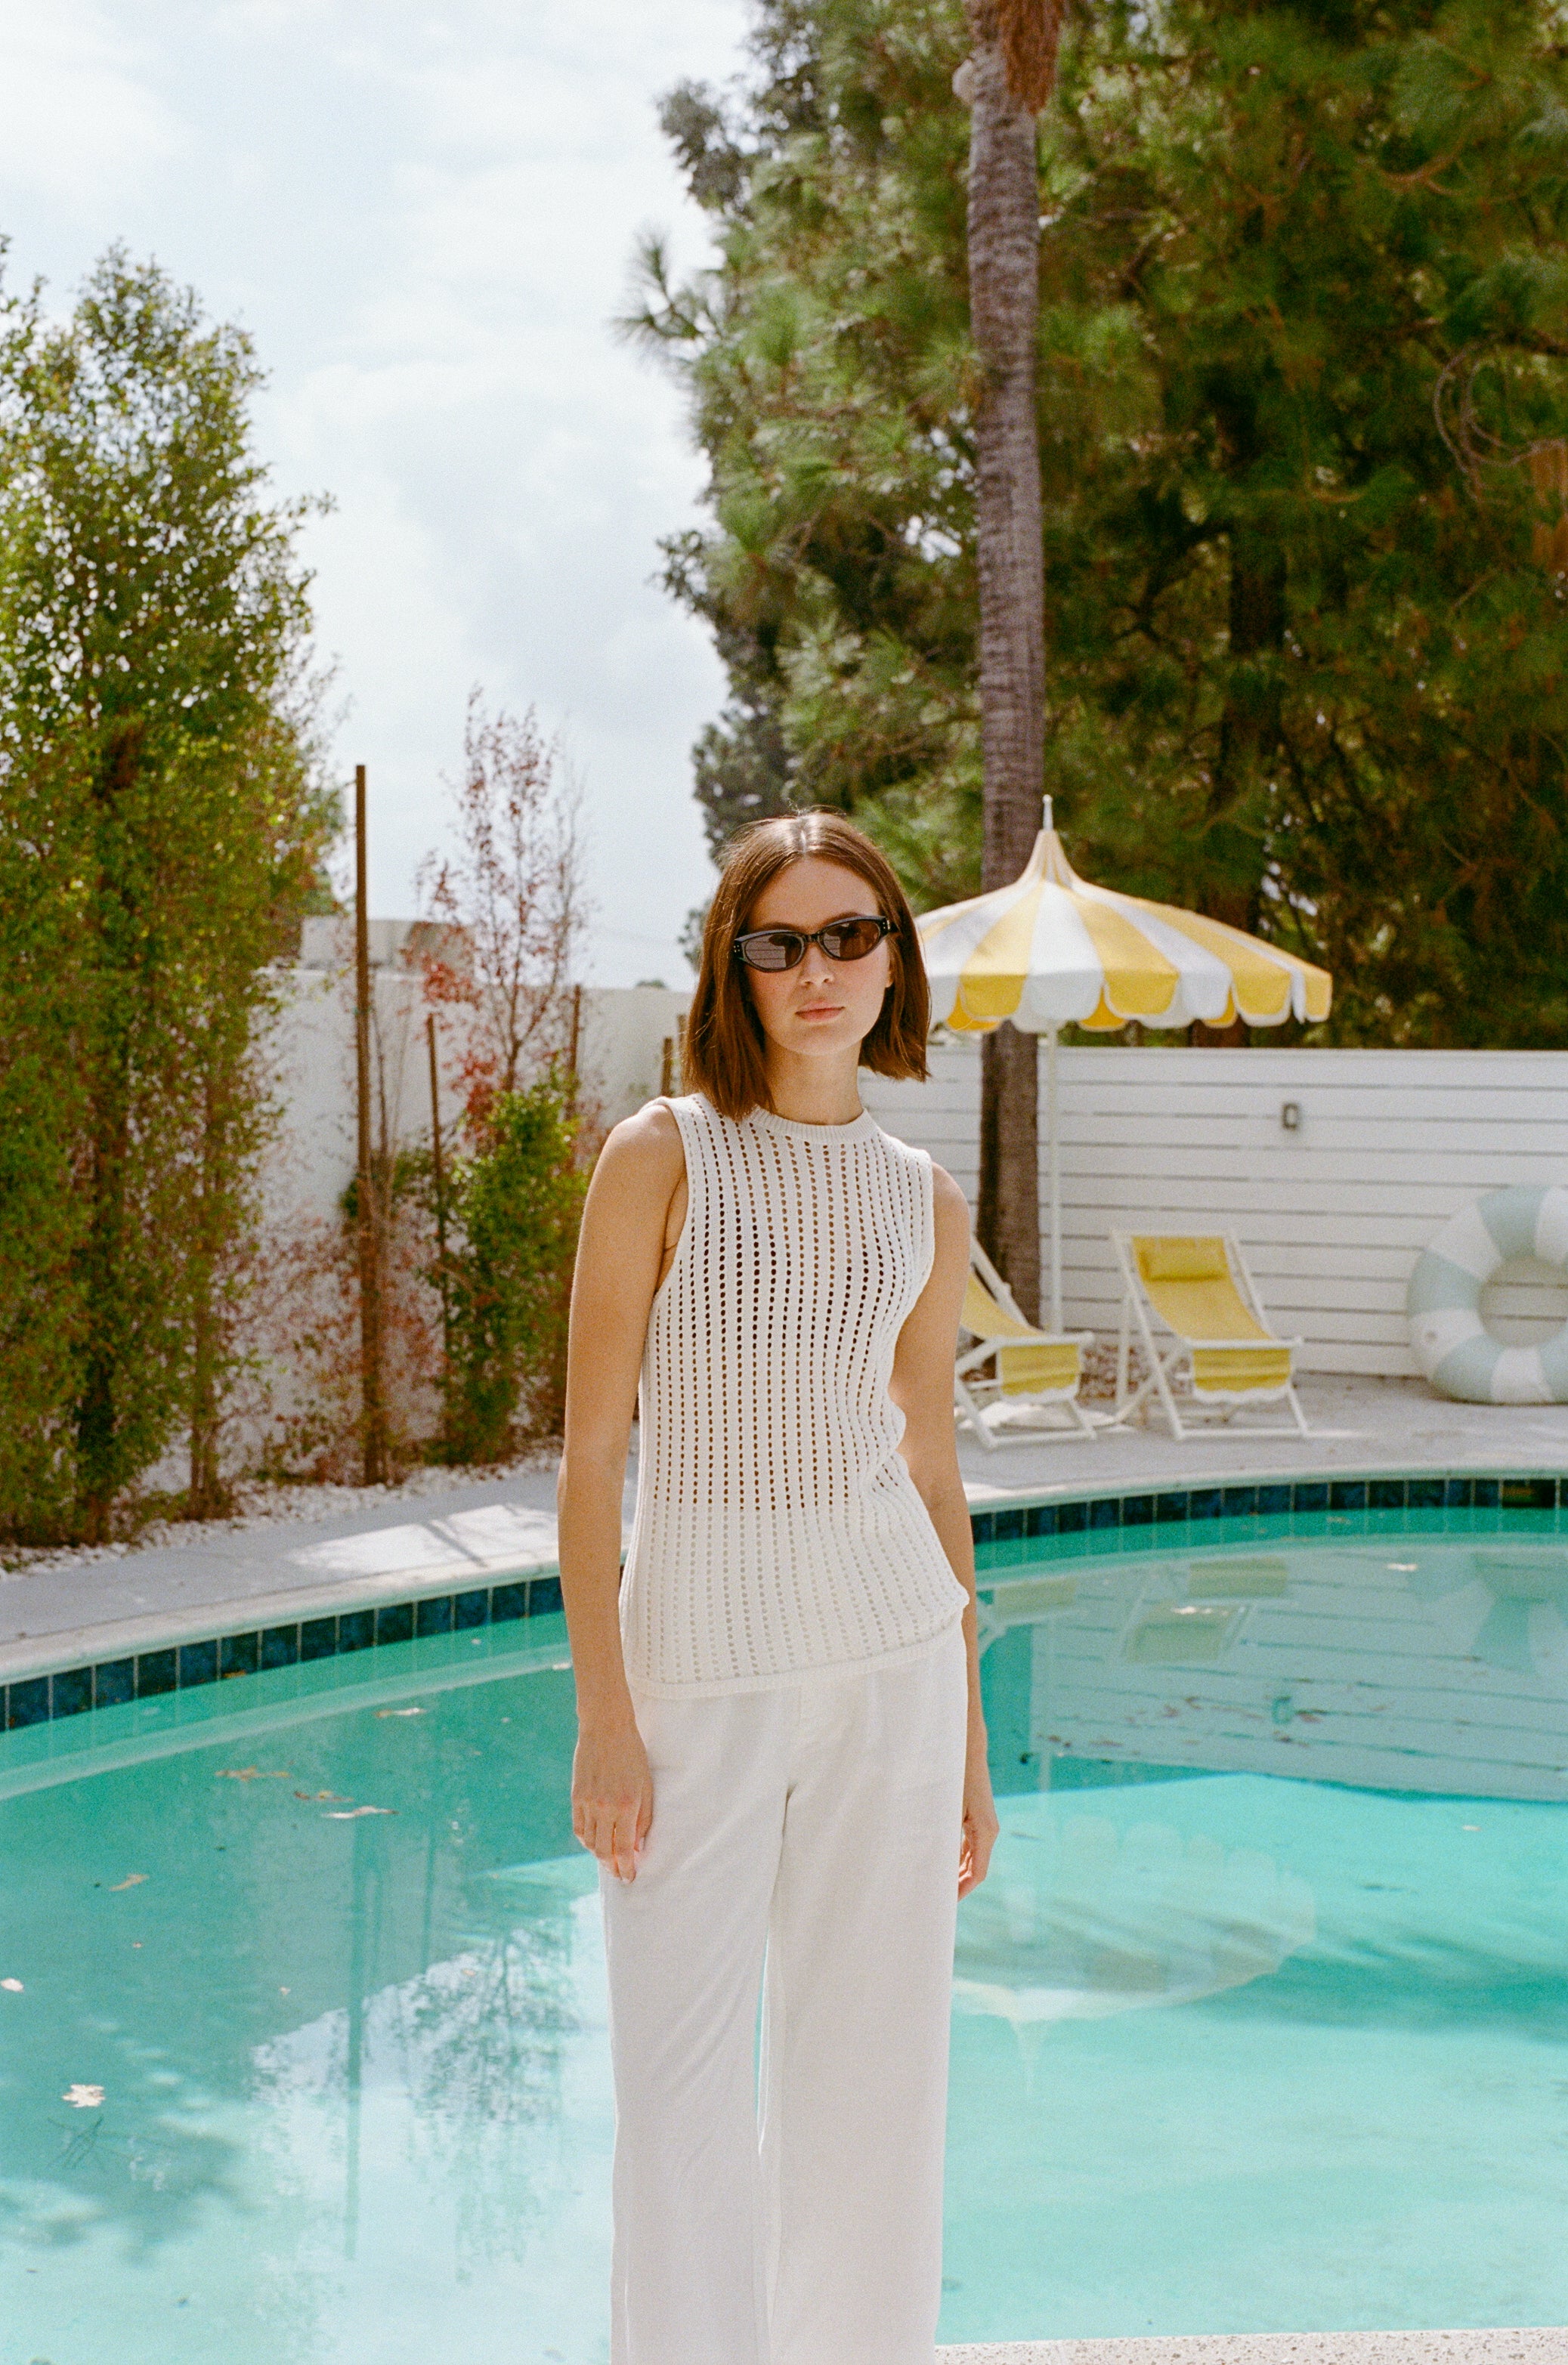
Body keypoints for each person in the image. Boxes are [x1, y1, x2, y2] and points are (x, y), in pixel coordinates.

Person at [557, 808, 999, 2365]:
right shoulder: (661, 1153)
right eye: (779, 941)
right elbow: (592, 1459)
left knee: (873, 2083)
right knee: (677, 2096)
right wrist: (606, 1720)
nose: (819, 969)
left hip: (895, 1662)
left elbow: (931, 1466)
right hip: (696, 1677)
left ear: (895, 958)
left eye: (851, 934)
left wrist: (971, 1742)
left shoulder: (924, 1198)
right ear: (733, 969)